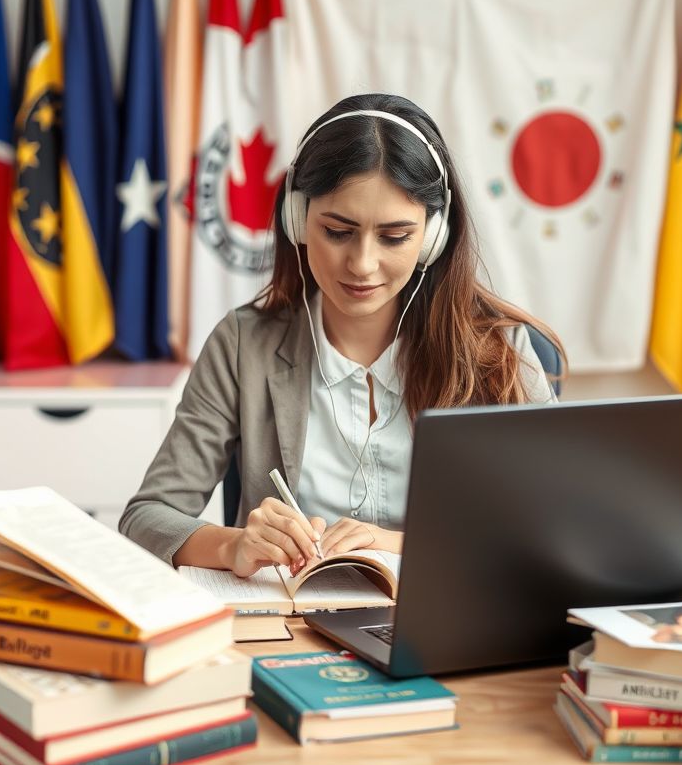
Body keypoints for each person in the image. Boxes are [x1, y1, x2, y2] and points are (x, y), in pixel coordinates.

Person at [120, 93, 563, 578]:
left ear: (433, 239)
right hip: (295, 633)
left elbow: (554, 523)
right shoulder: (244, 344)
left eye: (394, 237)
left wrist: (390, 545)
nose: (362, 264)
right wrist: (235, 546)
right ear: (298, 219)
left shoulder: (499, 348)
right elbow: (146, 516)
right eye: (337, 231)